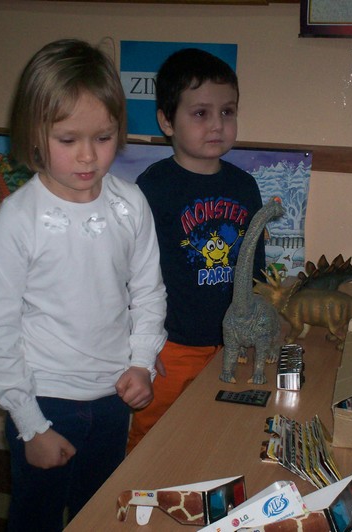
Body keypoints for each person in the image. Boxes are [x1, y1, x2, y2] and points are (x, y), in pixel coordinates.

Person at [0, 39, 167, 531]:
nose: (87, 156)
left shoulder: (131, 205)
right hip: (44, 400)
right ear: (35, 135)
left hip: (113, 396)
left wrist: (142, 362)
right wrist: (30, 424)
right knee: (35, 518)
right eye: (67, 139)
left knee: (97, 514)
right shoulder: (18, 218)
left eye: (103, 137)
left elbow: (148, 293)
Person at [127, 48, 265, 452]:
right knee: (152, 438)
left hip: (233, 343)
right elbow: (130, 275)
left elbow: (255, 268)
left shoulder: (245, 186)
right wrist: (141, 349)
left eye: (227, 111)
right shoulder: (152, 188)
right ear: (166, 121)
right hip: (171, 346)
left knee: (219, 435)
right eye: (201, 113)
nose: (217, 124)